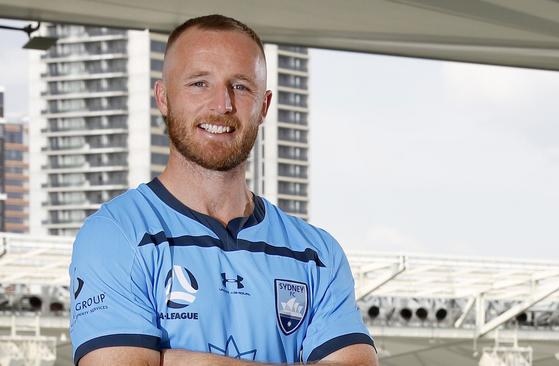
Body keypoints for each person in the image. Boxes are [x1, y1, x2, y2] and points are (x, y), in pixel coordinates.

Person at [68, 13, 377, 366]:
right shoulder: (117, 234)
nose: (222, 105)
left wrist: (170, 360)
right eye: (199, 83)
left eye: (241, 86)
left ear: (264, 106)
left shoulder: (316, 253)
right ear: (163, 97)